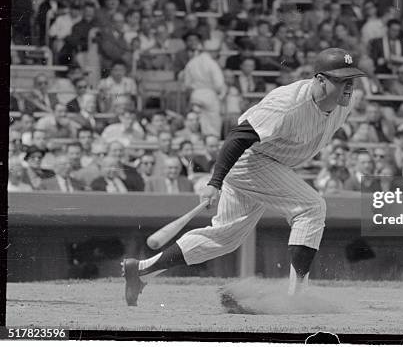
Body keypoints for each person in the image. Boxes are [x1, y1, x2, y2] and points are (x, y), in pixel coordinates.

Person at [121, 47, 367, 306]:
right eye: (341, 80)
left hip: (272, 162)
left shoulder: (343, 103)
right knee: (311, 208)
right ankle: (298, 296)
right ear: (320, 80)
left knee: (225, 237)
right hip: (251, 159)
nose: (349, 87)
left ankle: (141, 270)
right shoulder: (287, 104)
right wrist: (214, 183)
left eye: (351, 80)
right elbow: (238, 137)